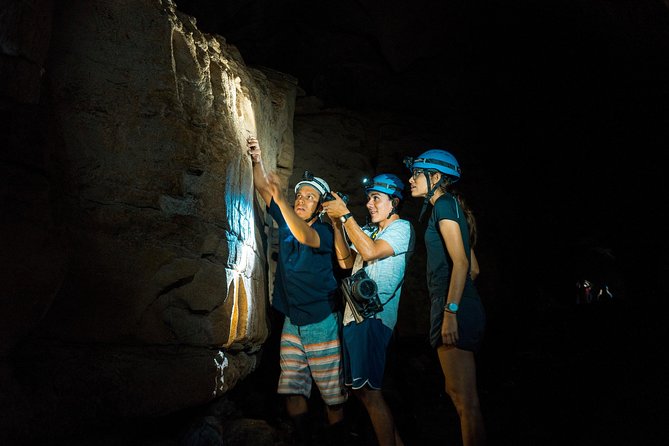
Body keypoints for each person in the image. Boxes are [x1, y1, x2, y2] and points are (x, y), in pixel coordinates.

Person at [247, 136, 347, 445]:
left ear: (319, 209)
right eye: (299, 195)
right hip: (292, 320)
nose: (301, 200)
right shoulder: (289, 218)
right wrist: (257, 159)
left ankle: (337, 440)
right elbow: (265, 189)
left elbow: (303, 235)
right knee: (291, 388)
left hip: (321, 321)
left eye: (309, 198)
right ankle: (304, 438)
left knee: (332, 396)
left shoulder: (322, 233)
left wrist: (281, 200)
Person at [323, 173, 415, 446]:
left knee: (371, 393)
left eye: (377, 198)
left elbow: (372, 252)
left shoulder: (401, 229)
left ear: (394, 203)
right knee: (362, 392)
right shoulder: (371, 231)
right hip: (356, 316)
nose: (370, 204)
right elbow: (345, 261)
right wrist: (339, 225)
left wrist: (347, 215)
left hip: (374, 318)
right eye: (369, 198)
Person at [405, 149, 486, 446]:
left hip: (453, 307)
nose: (411, 180)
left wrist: (452, 310)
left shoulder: (444, 204)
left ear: (436, 177)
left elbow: (463, 264)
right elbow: (474, 267)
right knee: (461, 397)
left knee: (464, 401)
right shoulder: (447, 207)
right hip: (457, 304)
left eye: (417, 174)